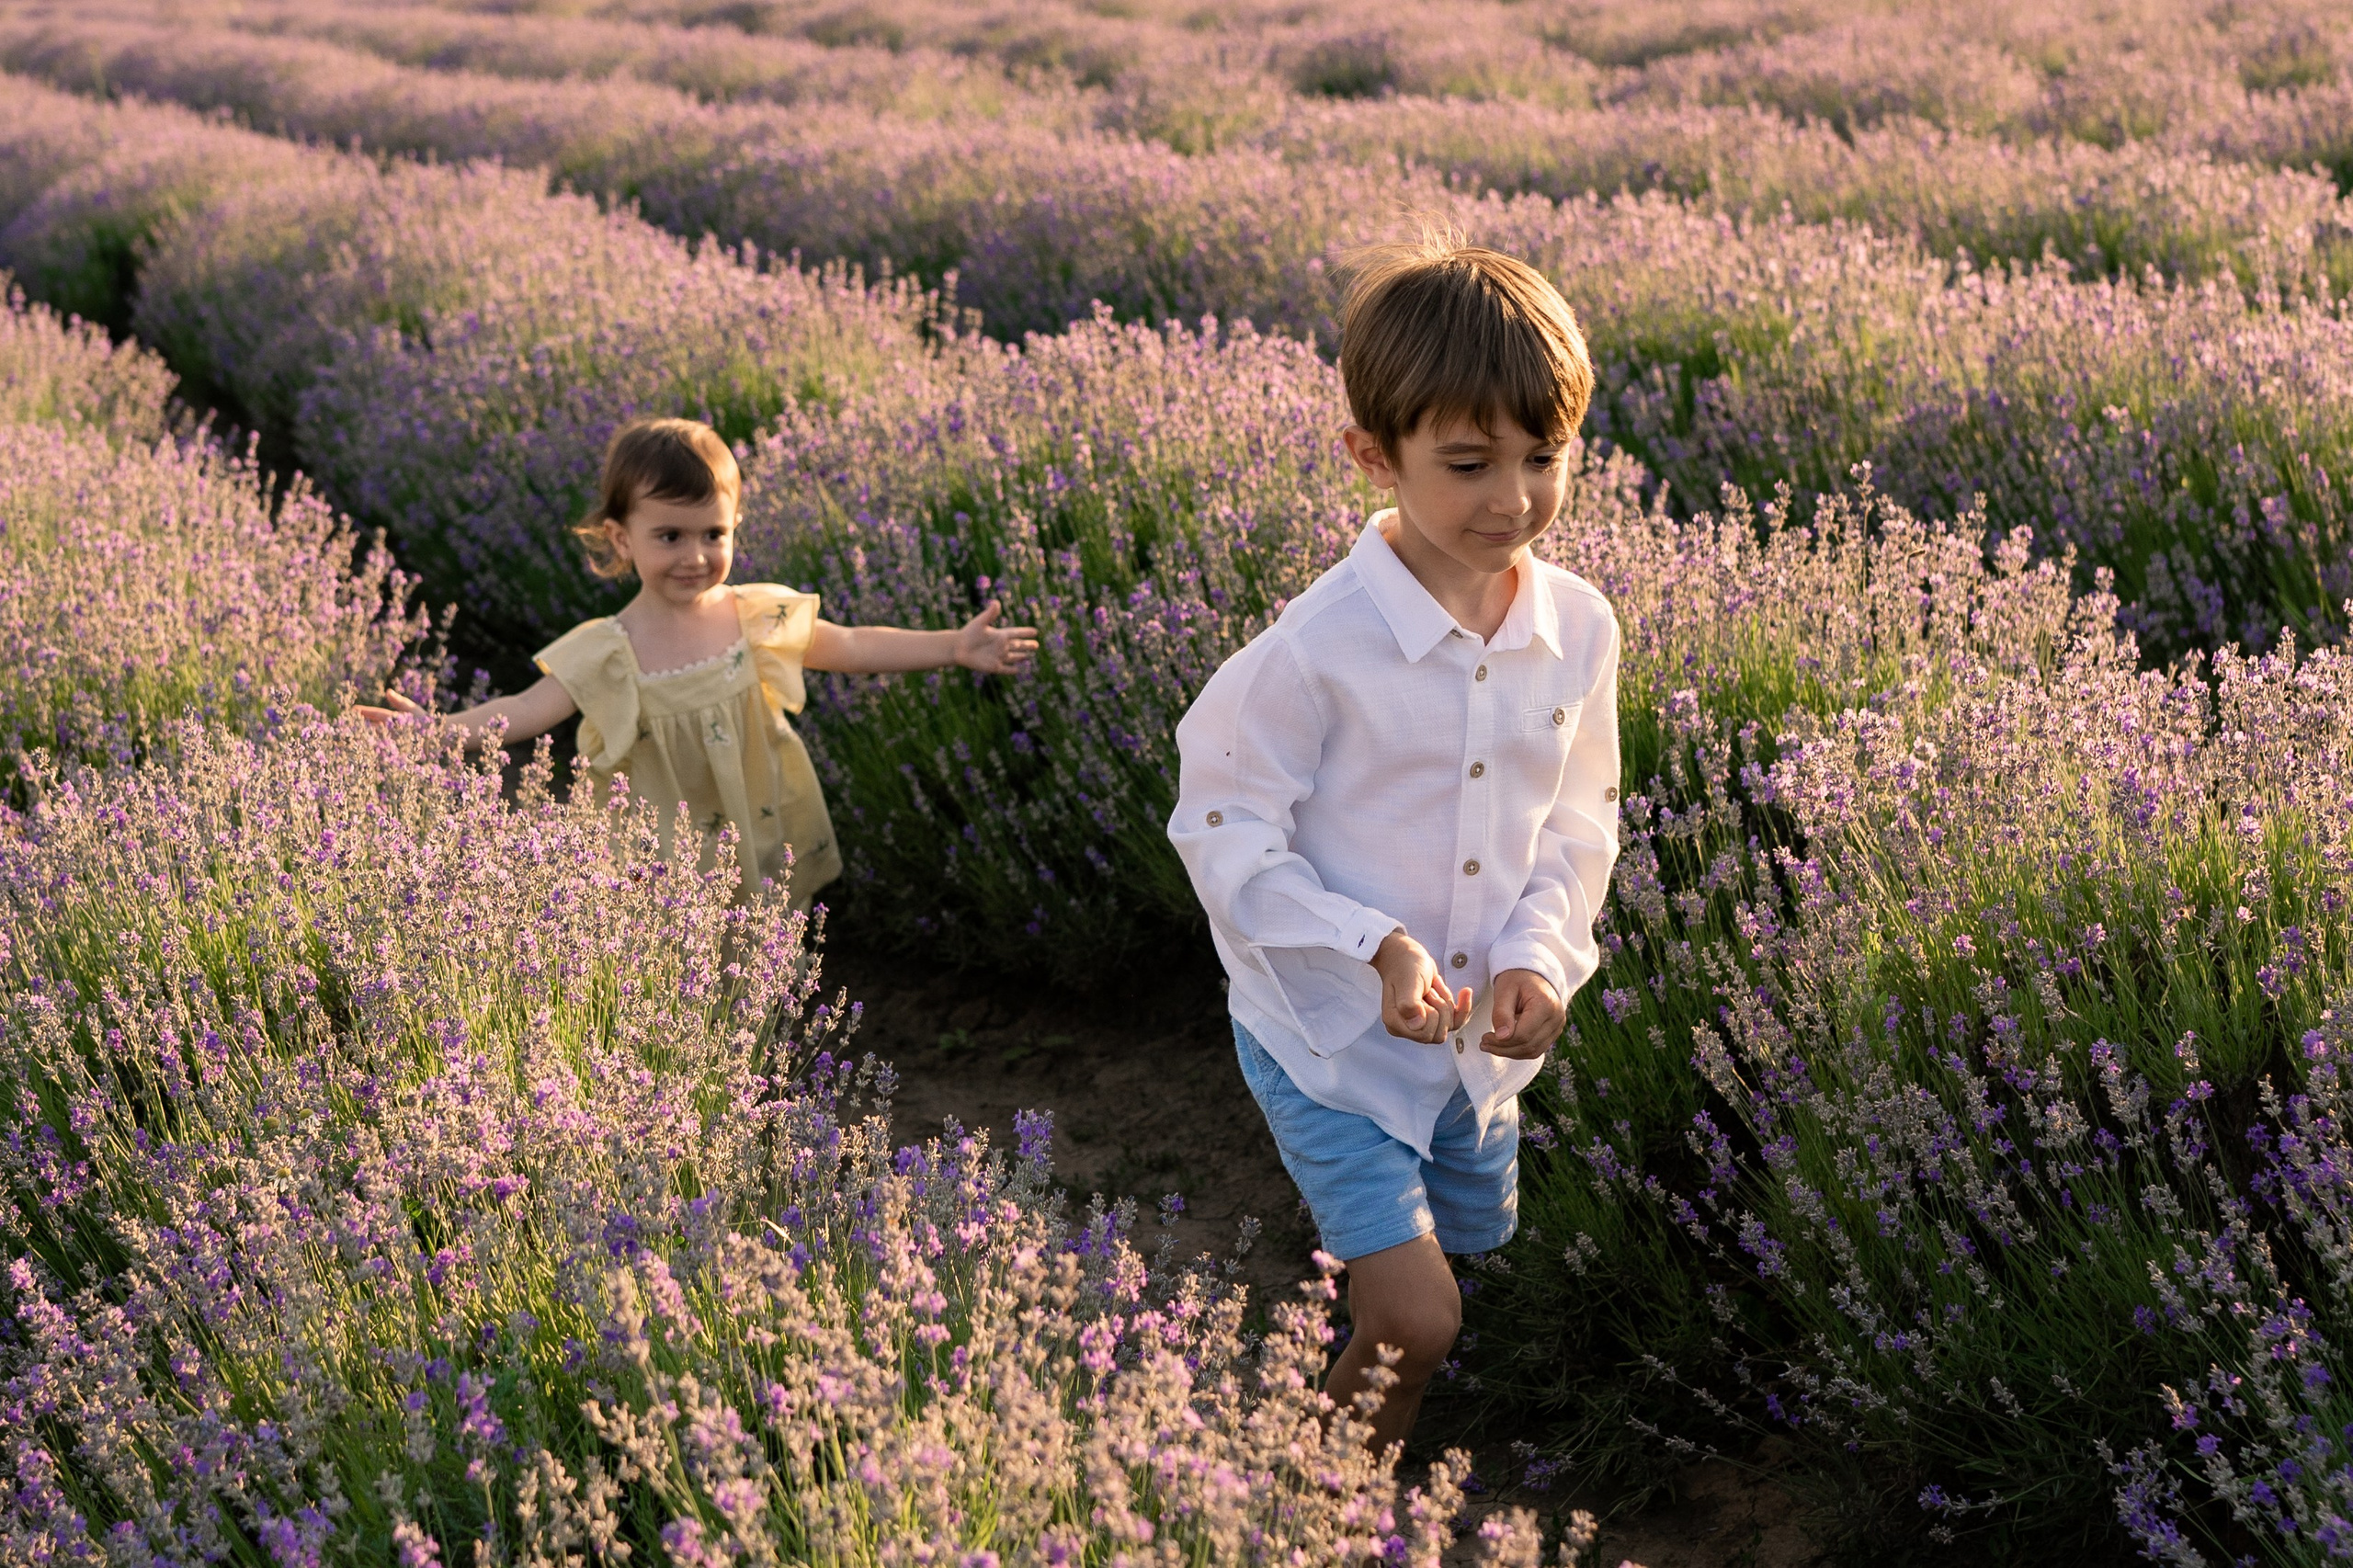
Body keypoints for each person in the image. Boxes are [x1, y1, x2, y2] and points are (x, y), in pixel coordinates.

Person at [1168, 239, 1619, 1455]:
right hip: (1326, 1035)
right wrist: (1371, 946)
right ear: (1374, 454)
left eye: (1545, 456)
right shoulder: (1314, 652)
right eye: (1468, 463)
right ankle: (1318, 1502)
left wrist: (1537, 956)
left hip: (1472, 1043)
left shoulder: (1579, 626)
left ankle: (1359, 1420)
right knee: (1416, 1316)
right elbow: (1219, 826)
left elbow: (1577, 818)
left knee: (1469, 1246)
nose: (1514, 498)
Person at [358, 416, 1037, 909]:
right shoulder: (606, 648)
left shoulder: (752, 614)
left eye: (715, 534)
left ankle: (754, 1071)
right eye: (670, 536)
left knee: (757, 945)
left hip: (752, 819)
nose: (696, 556)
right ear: (622, 540)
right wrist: (441, 732)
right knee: (665, 966)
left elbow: (850, 644)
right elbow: (531, 710)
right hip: (653, 851)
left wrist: (951, 646)